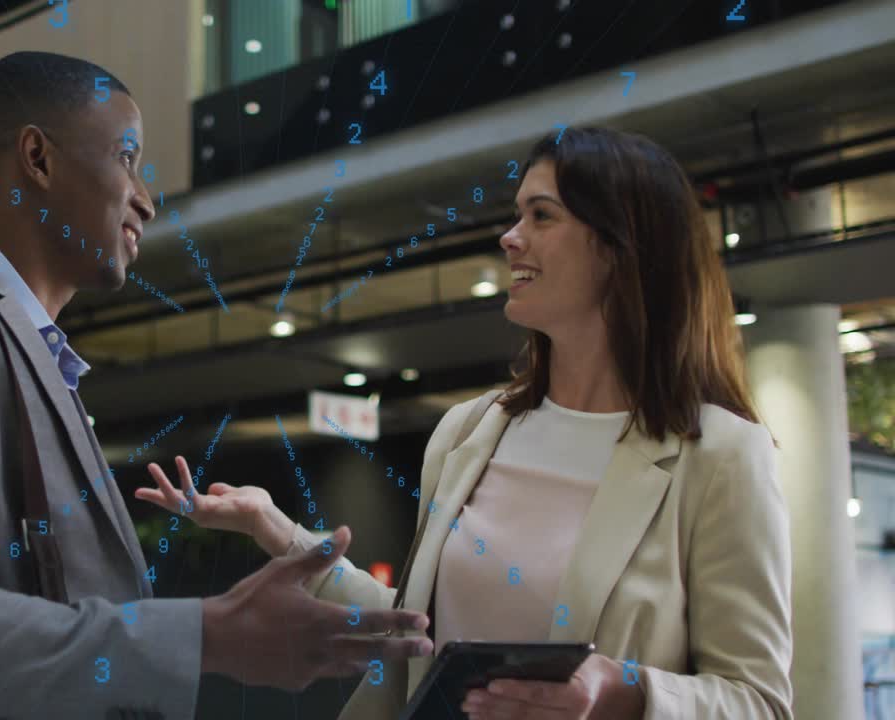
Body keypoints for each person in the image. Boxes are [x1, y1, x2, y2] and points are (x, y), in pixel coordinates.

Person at [0, 50, 433, 720]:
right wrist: (206, 634)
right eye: (127, 157)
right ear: (37, 160)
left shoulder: (30, 356)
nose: (147, 200)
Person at [138, 126, 794, 719]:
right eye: (517, 216)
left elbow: (759, 701)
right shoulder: (468, 433)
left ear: (620, 248)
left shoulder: (721, 454)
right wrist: (275, 528)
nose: (511, 238)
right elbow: (415, 633)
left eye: (542, 216)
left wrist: (623, 691)